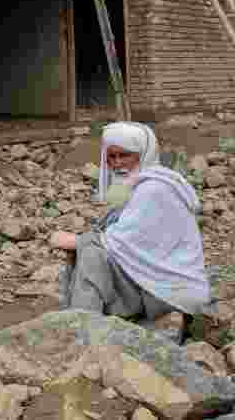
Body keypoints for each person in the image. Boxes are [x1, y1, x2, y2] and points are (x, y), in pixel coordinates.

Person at [50, 122, 210, 325]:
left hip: (167, 289)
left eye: (124, 155)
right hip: (150, 280)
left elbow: (121, 242)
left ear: (142, 155)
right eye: (112, 157)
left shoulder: (153, 189)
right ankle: (81, 320)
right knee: (89, 249)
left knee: (92, 254)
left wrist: (76, 240)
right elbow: (118, 234)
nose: (117, 163)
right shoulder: (137, 182)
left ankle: (83, 326)